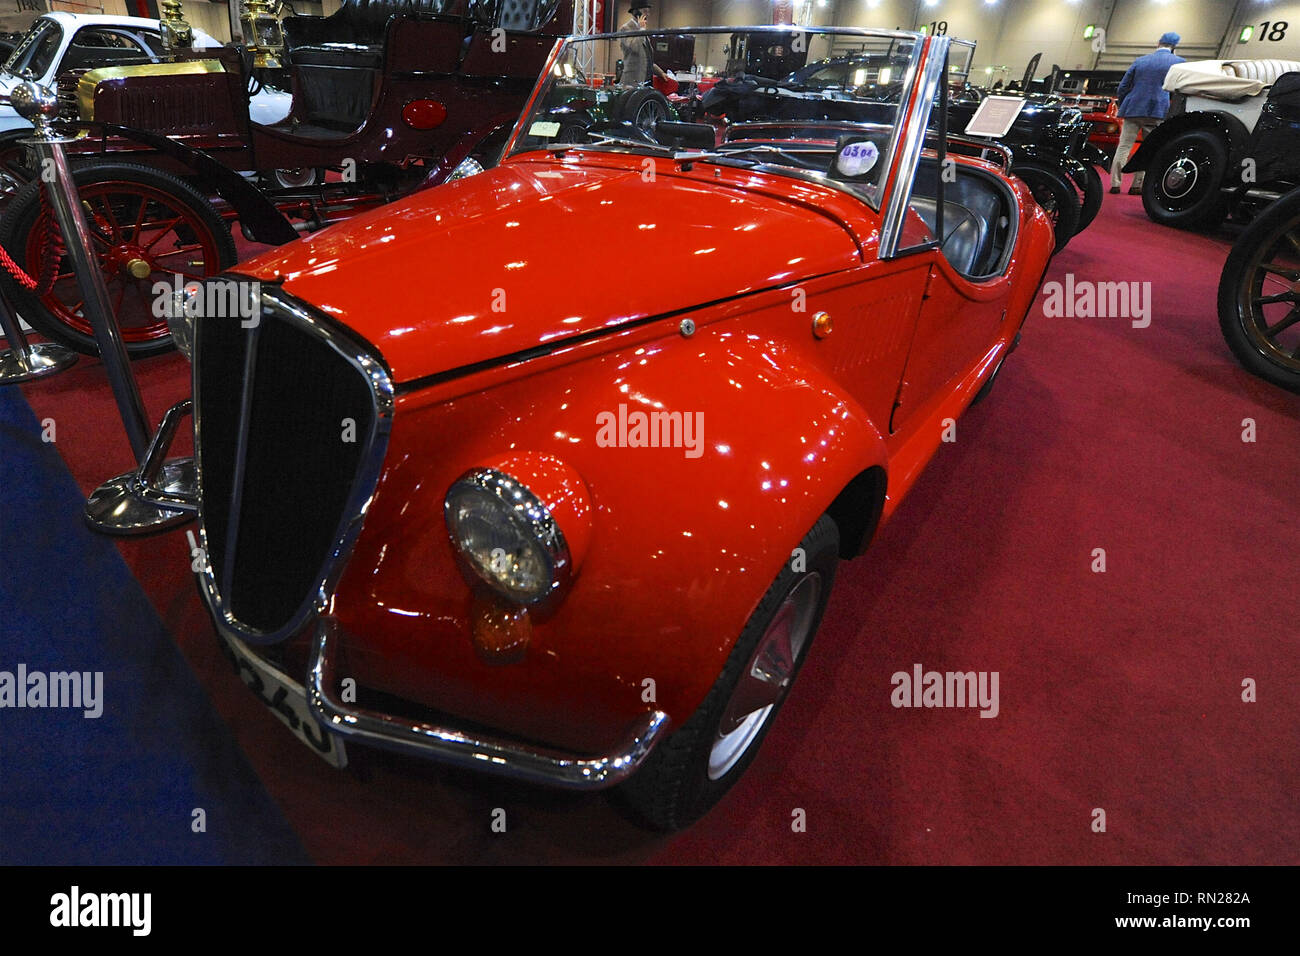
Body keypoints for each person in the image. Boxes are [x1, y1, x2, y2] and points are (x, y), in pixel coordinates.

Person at [1110, 31, 1185, 194]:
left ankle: (1115, 183)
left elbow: (1123, 87)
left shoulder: (1141, 60)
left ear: (1158, 43)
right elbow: (1180, 91)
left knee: (1123, 147)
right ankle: (1137, 185)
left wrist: (1125, 104)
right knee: (1149, 148)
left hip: (1133, 108)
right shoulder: (1179, 63)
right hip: (1157, 111)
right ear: (1174, 47)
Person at [619, 2, 669, 87]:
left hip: (646, 81)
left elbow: (647, 59)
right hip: (632, 81)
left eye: (648, 12)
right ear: (636, 12)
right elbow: (635, 47)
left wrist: (661, 73)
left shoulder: (642, 31)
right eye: (645, 11)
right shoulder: (626, 28)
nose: (648, 14)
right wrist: (641, 29)